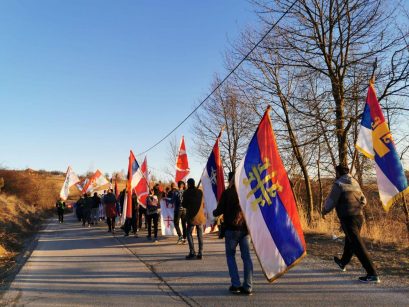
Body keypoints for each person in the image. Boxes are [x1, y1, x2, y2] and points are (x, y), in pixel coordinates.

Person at [322, 165, 380, 283]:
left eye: (336, 172)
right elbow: (364, 200)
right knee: (350, 241)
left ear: (338, 173)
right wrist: (357, 207)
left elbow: (331, 201)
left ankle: (372, 273)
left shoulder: (338, 184)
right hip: (359, 216)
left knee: (357, 244)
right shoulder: (355, 182)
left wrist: (324, 211)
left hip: (347, 217)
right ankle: (343, 263)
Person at [213, 172, 253, 295]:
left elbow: (218, 211)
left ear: (230, 180)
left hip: (231, 230)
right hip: (245, 230)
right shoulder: (247, 193)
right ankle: (248, 287)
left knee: (231, 256)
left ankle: (235, 285)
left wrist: (213, 211)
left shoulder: (227, 193)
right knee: (246, 258)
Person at [182, 178, 205, 260]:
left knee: (188, 233)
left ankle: (192, 252)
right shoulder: (200, 192)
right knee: (200, 235)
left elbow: (184, 204)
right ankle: (200, 252)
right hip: (200, 216)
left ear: (188, 184)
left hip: (192, 217)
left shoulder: (186, 192)